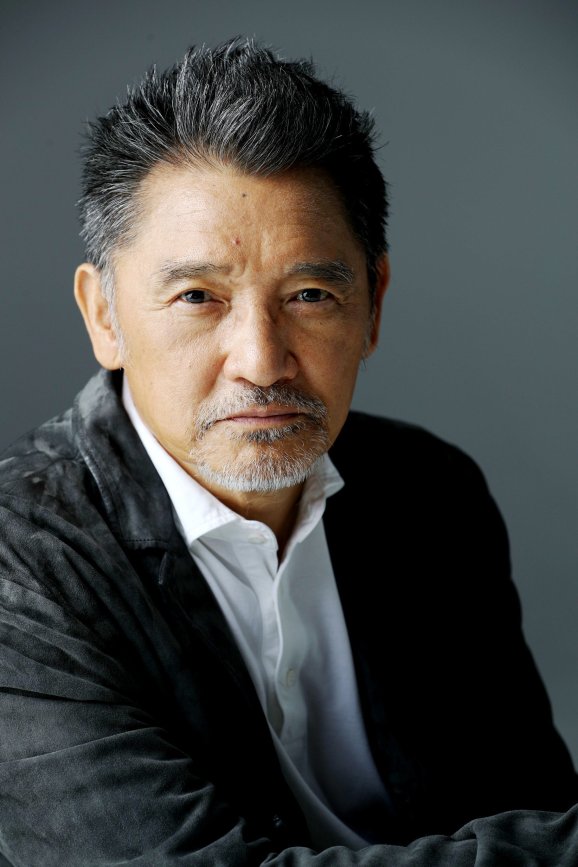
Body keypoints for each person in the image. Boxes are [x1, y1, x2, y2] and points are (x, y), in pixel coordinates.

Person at [0, 35, 576, 867]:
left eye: (308, 294)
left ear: (373, 305)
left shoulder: (431, 493)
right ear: (104, 317)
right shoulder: (21, 571)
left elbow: (533, 805)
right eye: (197, 297)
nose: (262, 361)